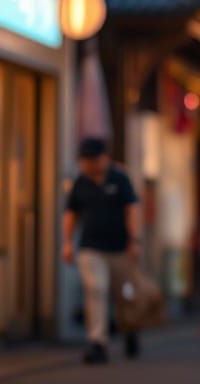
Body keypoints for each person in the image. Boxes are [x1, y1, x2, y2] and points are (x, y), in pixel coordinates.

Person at [62, 137, 141, 364]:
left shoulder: (120, 178)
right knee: (96, 289)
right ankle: (97, 342)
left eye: (92, 159)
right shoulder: (80, 183)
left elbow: (132, 209)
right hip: (91, 249)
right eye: (85, 160)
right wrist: (67, 242)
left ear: (103, 158)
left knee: (125, 294)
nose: (88, 164)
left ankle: (129, 329)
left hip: (120, 250)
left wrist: (135, 240)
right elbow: (70, 213)